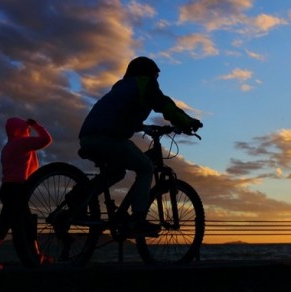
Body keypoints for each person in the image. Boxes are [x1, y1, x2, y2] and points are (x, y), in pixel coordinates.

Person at [68, 56, 202, 237]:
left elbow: (120, 114)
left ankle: (79, 197)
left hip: (88, 137)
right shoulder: (144, 84)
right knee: (146, 166)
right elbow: (165, 105)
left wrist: (142, 127)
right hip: (108, 138)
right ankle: (137, 219)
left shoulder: (122, 87)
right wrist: (187, 122)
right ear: (148, 74)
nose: (156, 80)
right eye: (155, 76)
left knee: (117, 171)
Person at [0, 117, 53, 270]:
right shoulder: (21, 143)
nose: (28, 130)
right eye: (26, 128)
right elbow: (46, 139)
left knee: (11, 222)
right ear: (21, 129)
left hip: (7, 188)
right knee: (23, 223)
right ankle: (34, 256)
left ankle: (33, 256)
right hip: (17, 189)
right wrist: (36, 125)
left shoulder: (7, 147)